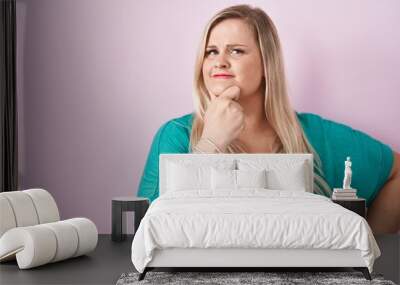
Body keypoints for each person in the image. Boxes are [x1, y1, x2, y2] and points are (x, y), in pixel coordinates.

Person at [137, 5, 400, 234]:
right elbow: (155, 230)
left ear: (266, 64)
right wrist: (210, 144)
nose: (219, 62)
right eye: (211, 51)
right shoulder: (175, 135)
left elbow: (397, 171)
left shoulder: (315, 135)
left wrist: (372, 249)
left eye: (236, 51)